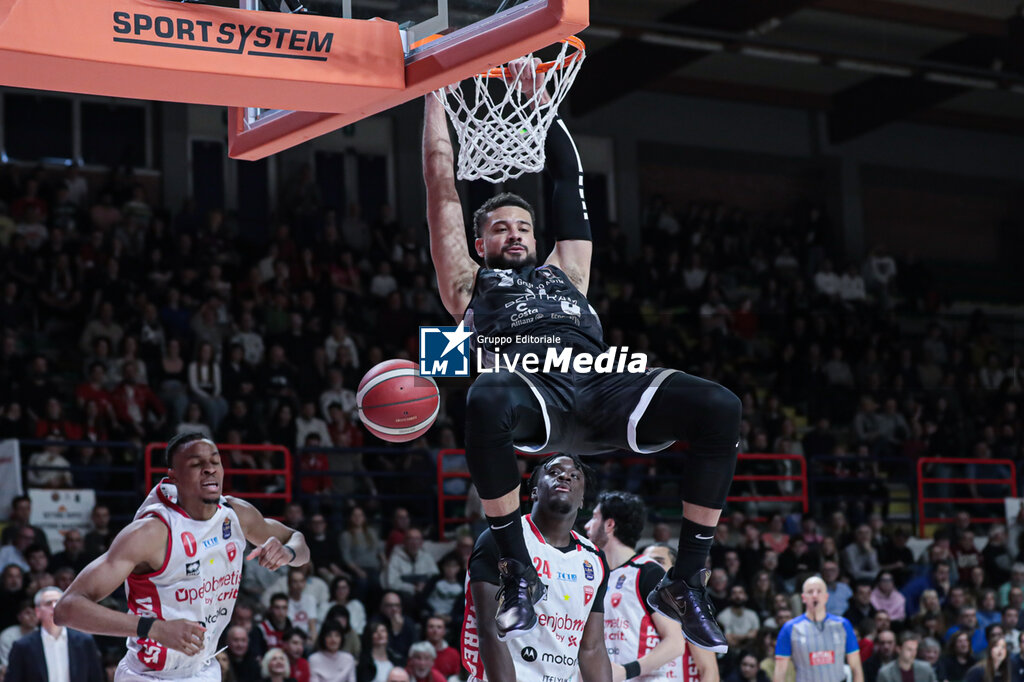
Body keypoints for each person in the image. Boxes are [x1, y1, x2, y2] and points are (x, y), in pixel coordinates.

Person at [423, 65, 740, 653]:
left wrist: (538, 100)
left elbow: (567, 179)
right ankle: (518, 569)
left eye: (523, 226)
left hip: (604, 389)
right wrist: (434, 95)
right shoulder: (470, 284)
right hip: (537, 401)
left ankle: (688, 579)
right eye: (499, 229)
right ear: (479, 243)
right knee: (485, 396)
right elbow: (441, 186)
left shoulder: (567, 270)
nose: (514, 234)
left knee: (719, 406)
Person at [53, 432, 311, 681]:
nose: (209, 468)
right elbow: (67, 609)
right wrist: (153, 628)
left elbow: (299, 543)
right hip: (148, 676)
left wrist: (287, 552)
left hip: (204, 669)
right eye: (197, 464)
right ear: (174, 477)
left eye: (215, 461)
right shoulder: (152, 532)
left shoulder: (236, 514)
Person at [461, 454, 611, 682]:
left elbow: (592, 649)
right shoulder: (501, 539)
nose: (564, 476)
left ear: (582, 499)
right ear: (534, 491)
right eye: (553, 472)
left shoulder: (595, 559)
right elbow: (489, 631)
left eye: (575, 475)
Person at [585, 490, 687, 681]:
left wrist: (626, 671)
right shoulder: (595, 575)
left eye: (594, 518)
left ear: (609, 524)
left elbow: (675, 643)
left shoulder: (649, 572)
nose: (587, 526)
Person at [773, 576, 864, 682]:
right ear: (803, 597)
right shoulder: (790, 628)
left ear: (826, 596)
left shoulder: (843, 625)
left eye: (819, 591)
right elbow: (780, 671)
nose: (815, 596)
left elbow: (856, 667)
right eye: (810, 592)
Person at [5, 586, 103, 682]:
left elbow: (96, 678)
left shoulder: (84, 641)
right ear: (38, 612)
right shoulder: (22, 646)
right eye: (48, 603)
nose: (54, 606)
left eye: (58, 602)